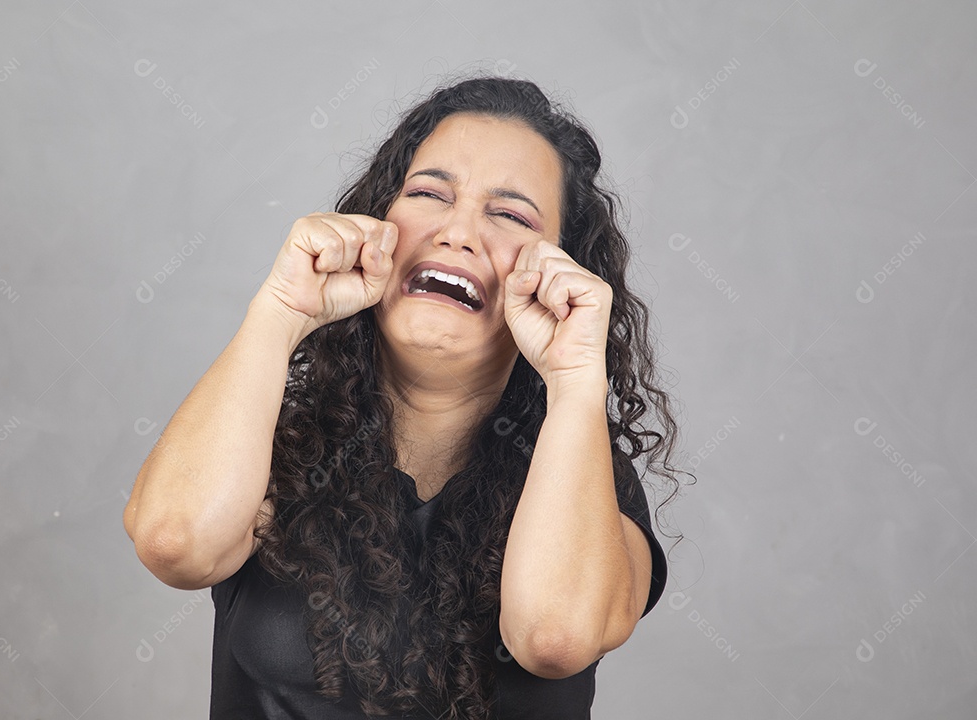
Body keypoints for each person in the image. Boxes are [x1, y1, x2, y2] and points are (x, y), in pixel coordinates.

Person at [124, 74, 682, 720]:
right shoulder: (276, 440)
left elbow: (554, 636)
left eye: (509, 214)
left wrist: (578, 376)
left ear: (563, 268)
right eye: (427, 194)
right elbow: (173, 541)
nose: (457, 230)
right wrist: (278, 312)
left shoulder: (591, 482)